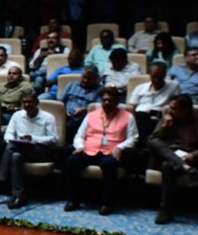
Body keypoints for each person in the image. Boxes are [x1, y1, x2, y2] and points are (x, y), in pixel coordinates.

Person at [63, 85, 136, 215]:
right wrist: (80, 146)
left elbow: (133, 138)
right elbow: (79, 135)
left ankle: (107, 203)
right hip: (89, 149)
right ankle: (73, 200)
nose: (107, 103)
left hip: (112, 151)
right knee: (72, 161)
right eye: (104, 100)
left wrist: (120, 147)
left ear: (117, 101)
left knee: (108, 164)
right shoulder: (91, 115)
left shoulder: (128, 116)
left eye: (110, 100)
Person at [0, 91, 60, 209]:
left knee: (12, 147)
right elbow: (8, 134)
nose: (27, 105)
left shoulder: (48, 117)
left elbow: (54, 139)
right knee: (15, 156)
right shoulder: (17, 115)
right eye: (24, 102)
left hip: (41, 152)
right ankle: (18, 196)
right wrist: (15, 140)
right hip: (19, 149)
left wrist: (33, 139)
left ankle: (0, 180)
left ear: (37, 102)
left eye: (30, 102)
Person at [148, 94, 198, 224]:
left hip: (189, 157)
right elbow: (152, 140)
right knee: (155, 143)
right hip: (166, 154)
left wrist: (194, 155)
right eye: (170, 107)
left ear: (185, 110)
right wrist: (164, 127)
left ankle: (165, 211)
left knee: (168, 165)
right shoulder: (167, 120)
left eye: (174, 109)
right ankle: (187, 169)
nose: (170, 111)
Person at [128, 61, 179, 144]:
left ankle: (145, 145)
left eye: (160, 77)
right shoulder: (140, 88)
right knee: (139, 118)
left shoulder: (173, 86)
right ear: (149, 74)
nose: (156, 80)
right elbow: (132, 106)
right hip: (140, 116)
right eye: (153, 77)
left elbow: (177, 103)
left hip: (159, 115)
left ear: (165, 75)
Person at [62, 66, 102, 142]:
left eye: (89, 78)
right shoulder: (71, 85)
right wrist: (63, 111)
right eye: (84, 77)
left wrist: (84, 110)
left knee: (70, 125)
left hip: (84, 116)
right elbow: (60, 101)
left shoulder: (100, 89)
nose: (86, 80)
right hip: (65, 114)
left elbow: (97, 107)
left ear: (96, 79)